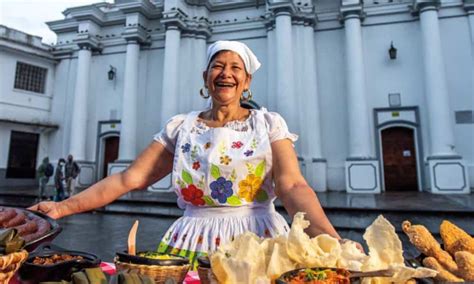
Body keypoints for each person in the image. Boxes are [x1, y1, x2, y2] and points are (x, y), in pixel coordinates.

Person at [30, 40, 355, 267]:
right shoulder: (181, 128)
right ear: (206, 78)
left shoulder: (268, 124)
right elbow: (128, 179)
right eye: (217, 66)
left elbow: (293, 186)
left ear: (247, 81)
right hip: (193, 240)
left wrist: (332, 240)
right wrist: (62, 207)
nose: (226, 73)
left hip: (260, 239)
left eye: (235, 68)